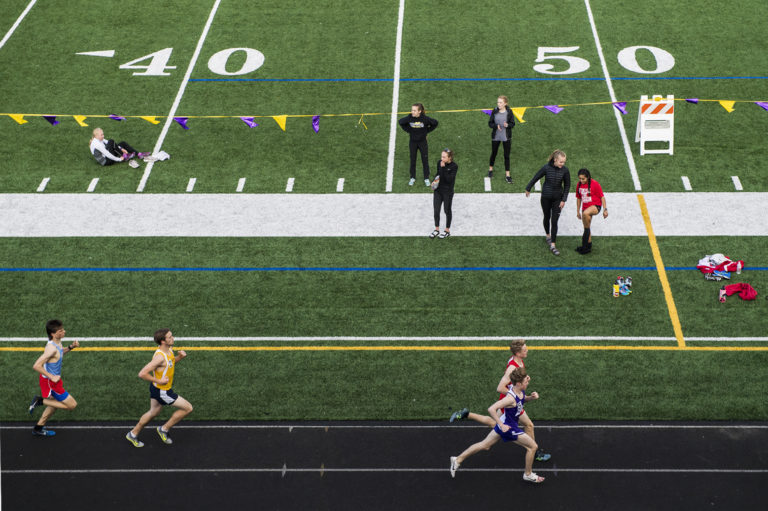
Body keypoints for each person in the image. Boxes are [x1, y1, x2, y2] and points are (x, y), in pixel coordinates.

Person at [450, 339, 550, 461]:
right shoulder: (512, 367)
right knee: (502, 425)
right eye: (524, 349)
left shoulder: (518, 360)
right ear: (518, 353)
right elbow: (500, 387)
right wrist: (515, 396)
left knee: (498, 423)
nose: (527, 350)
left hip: (511, 400)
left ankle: (467, 414)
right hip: (509, 403)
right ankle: (534, 453)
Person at [449, 367, 545, 483]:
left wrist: (531, 398)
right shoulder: (510, 398)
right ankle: (528, 474)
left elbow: (522, 399)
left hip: (506, 424)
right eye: (526, 382)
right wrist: (501, 424)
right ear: (519, 383)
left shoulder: (518, 389)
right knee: (532, 447)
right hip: (509, 428)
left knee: (485, 445)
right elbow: (491, 409)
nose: (528, 383)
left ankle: (457, 460)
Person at [125, 328, 193, 447]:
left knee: (153, 412)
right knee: (188, 408)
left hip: (156, 389)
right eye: (170, 337)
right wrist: (159, 380)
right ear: (163, 341)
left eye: (172, 336)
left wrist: (179, 358)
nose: (173, 338)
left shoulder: (169, 350)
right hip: (163, 391)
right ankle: (164, 429)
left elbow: (170, 363)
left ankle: (133, 433)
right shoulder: (160, 357)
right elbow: (142, 373)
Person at [28, 319, 80, 437]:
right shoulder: (50, 348)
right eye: (61, 331)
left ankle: (38, 428)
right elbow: (36, 365)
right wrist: (52, 377)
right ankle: (40, 401)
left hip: (54, 380)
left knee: (54, 405)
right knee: (72, 405)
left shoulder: (57, 343)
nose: (64, 332)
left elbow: (60, 353)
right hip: (51, 382)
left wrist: (71, 347)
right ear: (53, 334)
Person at [525, 150, 571, 256]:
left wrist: (563, 200)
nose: (563, 164)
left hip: (557, 199)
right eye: (561, 162)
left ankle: (553, 245)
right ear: (555, 160)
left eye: (564, 162)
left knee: (554, 221)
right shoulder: (546, 167)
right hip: (545, 197)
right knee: (547, 217)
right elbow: (536, 177)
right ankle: (548, 235)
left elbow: (567, 185)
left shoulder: (565, 170)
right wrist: (528, 188)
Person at [398, 103, 439, 186]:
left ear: (419, 111)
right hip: (412, 142)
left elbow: (435, 123)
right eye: (412, 110)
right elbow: (401, 122)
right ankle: (412, 177)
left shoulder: (425, 119)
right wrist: (409, 130)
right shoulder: (409, 117)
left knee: (425, 160)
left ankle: (426, 178)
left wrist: (426, 131)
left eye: (414, 110)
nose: (412, 112)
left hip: (422, 142)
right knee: (413, 160)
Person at [575, 168, 608, 254]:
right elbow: (578, 198)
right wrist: (578, 211)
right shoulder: (579, 185)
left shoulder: (595, 184)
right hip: (584, 208)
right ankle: (588, 247)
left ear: (588, 177)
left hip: (595, 206)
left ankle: (584, 244)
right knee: (587, 227)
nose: (581, 180)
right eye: (580, 178)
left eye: (583, 179)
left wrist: (605, 209)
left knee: (586, 214)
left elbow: (602, 197)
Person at [429, 149, 458, 239]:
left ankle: (447, 230)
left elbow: (449, 179)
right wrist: (434, 181)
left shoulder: (454, 166)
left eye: (444, 157)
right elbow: (438, 174)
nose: (442, 158)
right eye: (441, 156)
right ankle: (437, 229)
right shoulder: (439, 163)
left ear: (449, 158)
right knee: (436, 210)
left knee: (447, 210)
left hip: (447, 192)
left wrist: (444, 168)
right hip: (438, 191)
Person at [487, 95, 515, 183]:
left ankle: (508, 175)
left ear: (505, 103)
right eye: (498, 102)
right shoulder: (494, 111)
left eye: (500, 102)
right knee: (494, 153)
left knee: (506, 156)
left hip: (506, 137)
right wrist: (496, 126)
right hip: (496, 136)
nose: (498, 104)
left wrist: (508, 125)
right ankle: (490, 169)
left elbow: (513, 124)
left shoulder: (509, 112)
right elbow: (490, 123)